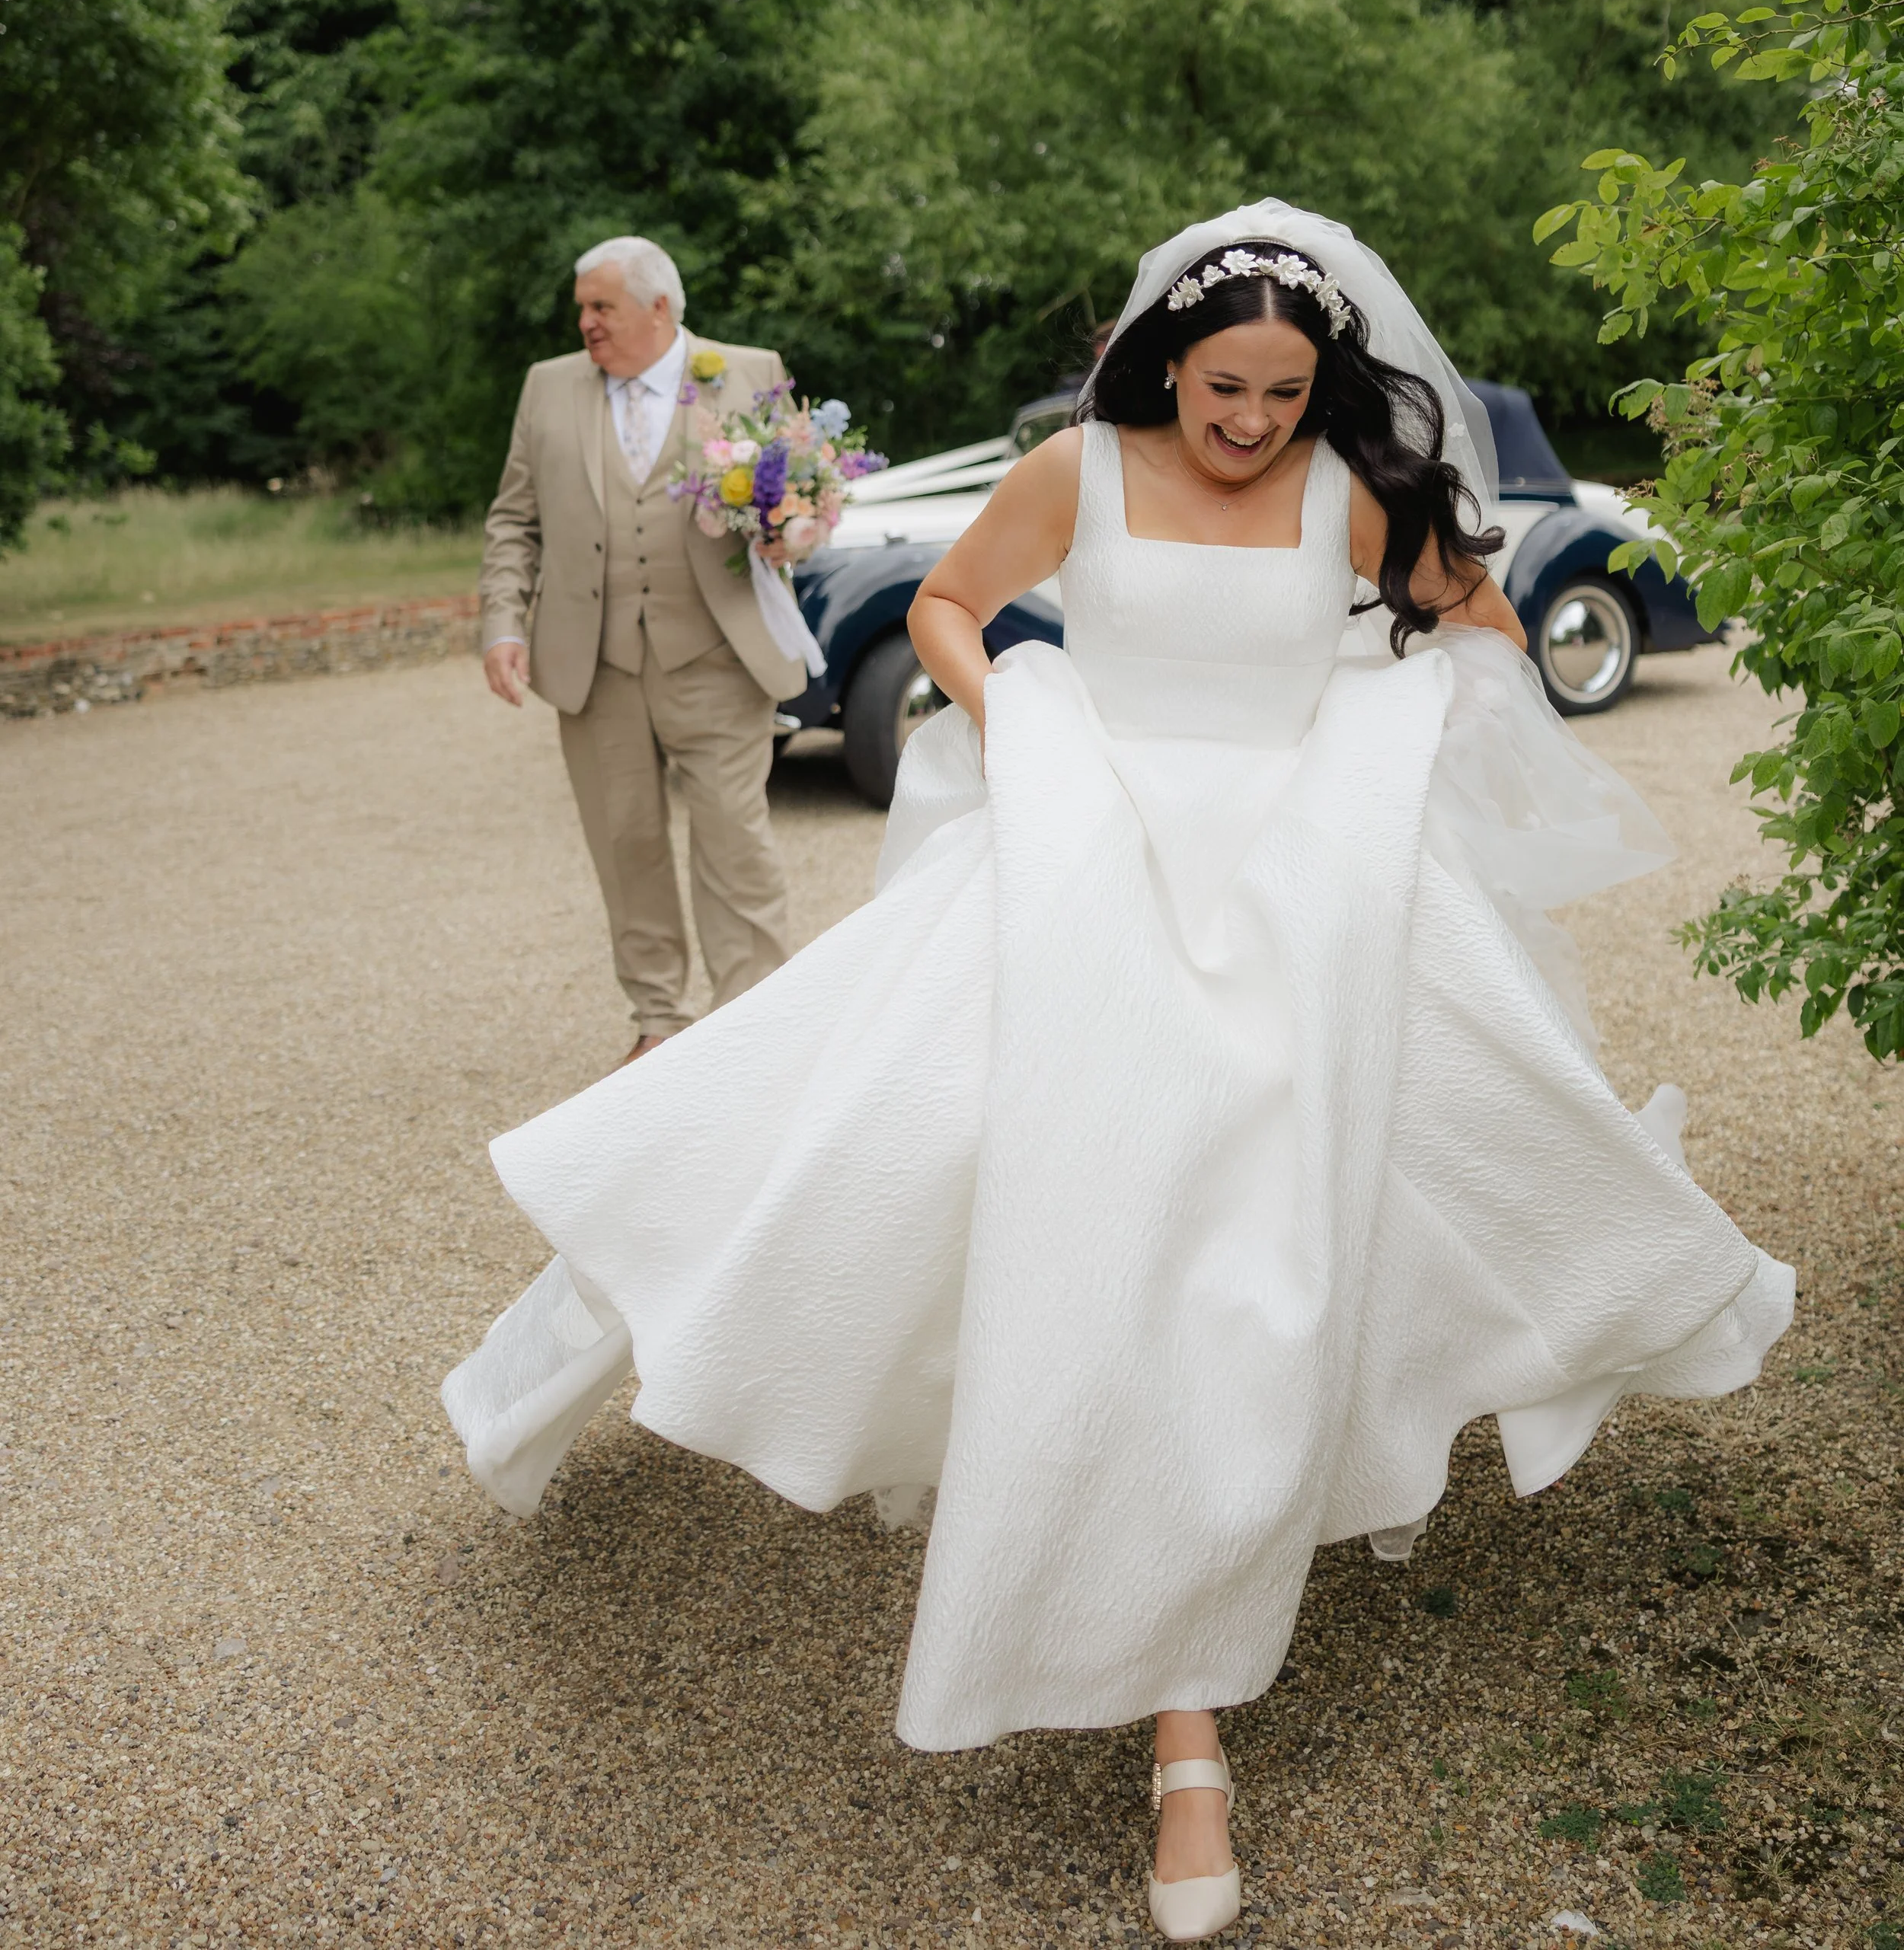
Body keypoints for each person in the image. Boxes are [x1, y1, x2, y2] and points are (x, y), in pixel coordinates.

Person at [446, 201, 1792, 1942]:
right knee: (896, 1126)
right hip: (1096, 847)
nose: (1250, 421)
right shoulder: (1082, 468)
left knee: (1401, 1158)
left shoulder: (1348, 489)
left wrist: (1391, 734)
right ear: (1172, 359)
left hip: (1297, 875)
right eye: (1225, 385)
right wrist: (1010, 712)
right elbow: (945, 604)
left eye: (1286, 392)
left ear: (1325, 382)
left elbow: (1479, 629)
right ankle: (1129, 1655)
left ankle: (1192, 1688)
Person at [478, 236, 810, 1061]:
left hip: (718, 654)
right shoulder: (548, 387)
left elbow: (801, 494)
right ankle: (659, 1019)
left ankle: (754, 1025)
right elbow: (513, 519)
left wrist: (793, 532)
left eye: (602, 307)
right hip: (594, 664)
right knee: (624, 843)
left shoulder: (748, 371)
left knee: (735, 841)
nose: (586, 323)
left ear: (660, 307)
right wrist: (504, 624)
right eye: (582, 309)